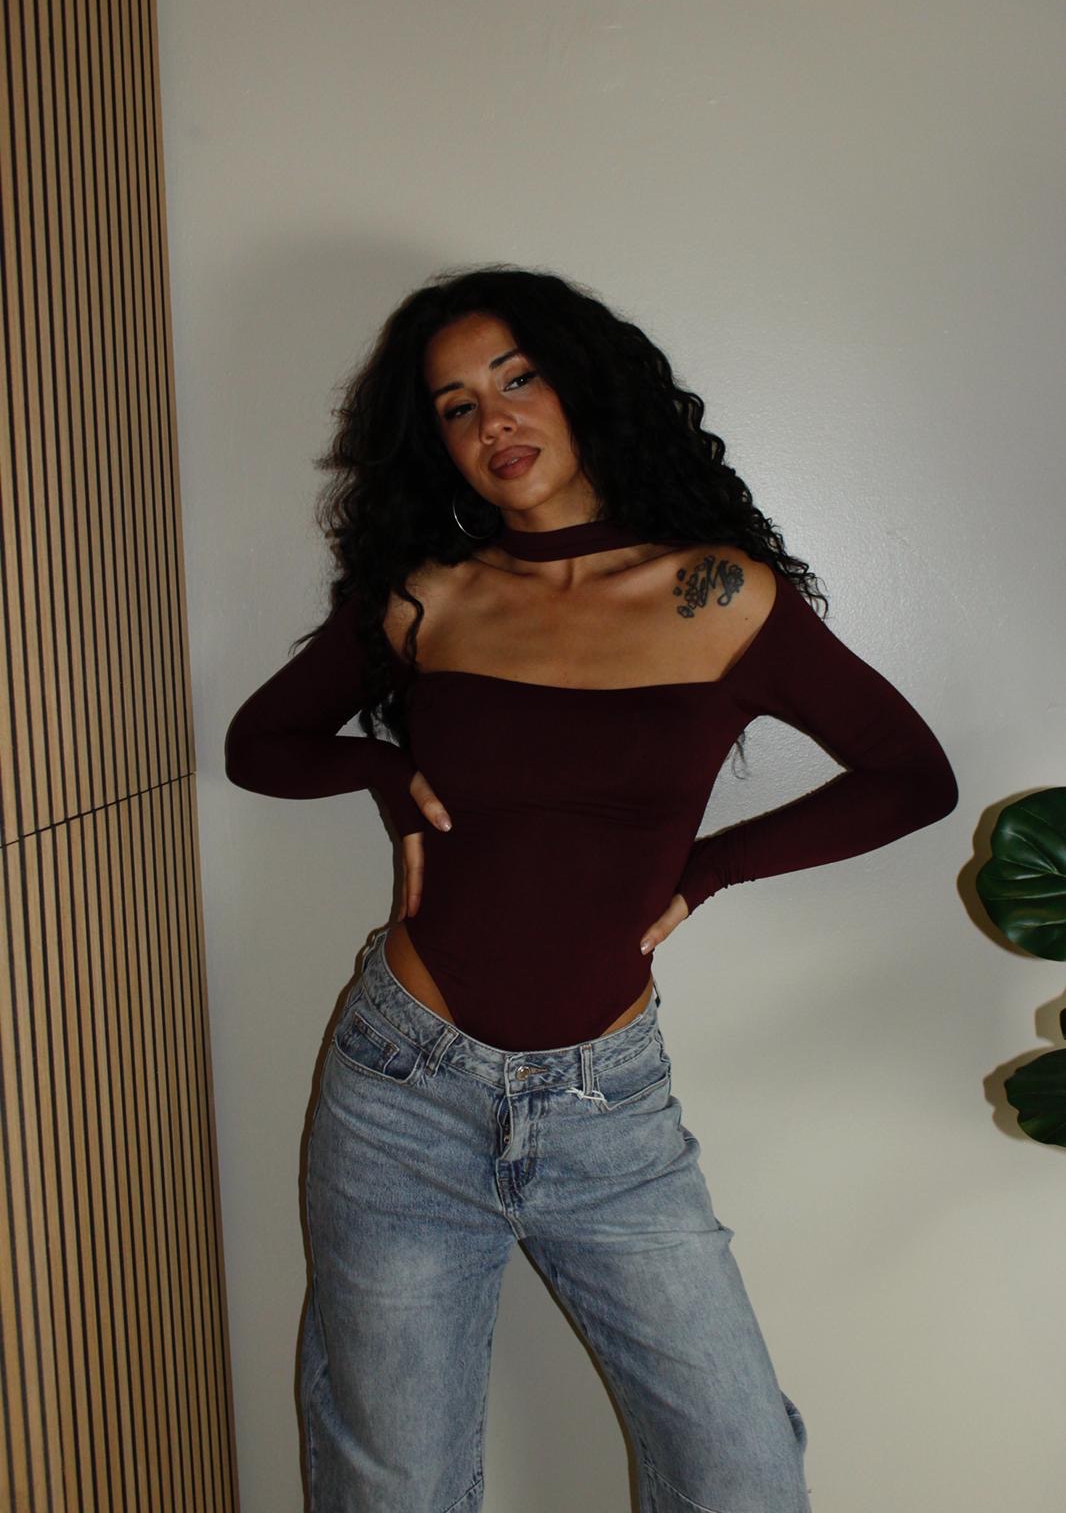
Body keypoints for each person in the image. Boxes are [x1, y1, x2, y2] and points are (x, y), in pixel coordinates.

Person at [224, 265, 958, 1513]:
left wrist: (708, 869)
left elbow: (910, 777)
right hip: (400, 1093)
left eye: (518, 378)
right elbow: (261, 744)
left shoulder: (718, 593)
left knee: (741, 1475)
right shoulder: (430, 597)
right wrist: (387, 776)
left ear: (584, 385)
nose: (494, 420)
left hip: (605, 1111)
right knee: (392, 1485)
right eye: (456, 405)